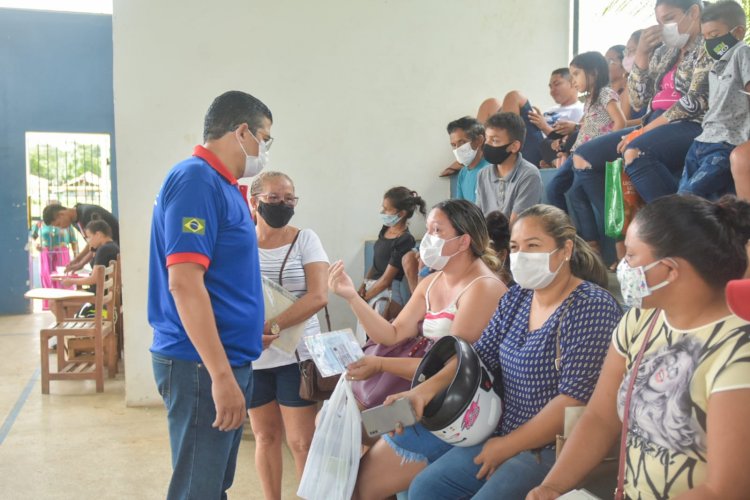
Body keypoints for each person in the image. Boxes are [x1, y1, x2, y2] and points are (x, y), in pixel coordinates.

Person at [384, 204, 621, 499]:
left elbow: (573, 399)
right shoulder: (517, 297)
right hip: (501, 432)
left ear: (565, 250)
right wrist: (423, 391)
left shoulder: (591, 306)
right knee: (425, 488)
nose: (522, 255)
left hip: (552, 447)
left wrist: (509, 445)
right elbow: (477, 358)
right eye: (515, 247)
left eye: (533, 246)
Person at [528, 194, 750, 499]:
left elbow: (725, 489)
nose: (622, 267)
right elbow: (600, 418)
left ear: (670, 270)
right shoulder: (640, 321)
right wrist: (551, 488)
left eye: (631, 257)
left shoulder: (737, 352)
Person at [328, 199, 508, 499]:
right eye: (428, 230)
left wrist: (381, 366)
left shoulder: (483, 287)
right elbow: (392, 333)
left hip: (455, 411)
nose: (428, 240)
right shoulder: (432, 281)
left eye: (437, 231)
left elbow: (453, 367)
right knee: (341, 445)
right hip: (422, 398)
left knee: (360, 488)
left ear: (464, 240)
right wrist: (351, 297)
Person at [148, 90, 271, 499]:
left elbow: (222, 278)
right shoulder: (195, 180)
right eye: (264, 138)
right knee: (197, 488)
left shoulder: (224, 185)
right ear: (242, 132)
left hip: (225, 357)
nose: (264, 149)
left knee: (214, 482)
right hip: (199, 363)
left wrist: (249, 330)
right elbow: (184, 282)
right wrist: (219, 375)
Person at [572, 0, 711, 209]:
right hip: (654, 121)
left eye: (669, 19)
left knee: (636, 151)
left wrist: (644, 131)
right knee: (583, 158)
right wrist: (642, 56)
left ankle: (675, 226)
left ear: (693, 12)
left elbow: (695, 102)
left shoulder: (709, 45)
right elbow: (639, 99)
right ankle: (620, 235)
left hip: (691, 123)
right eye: (659, 22)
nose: (663, 28)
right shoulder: (666, 52)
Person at [246, 171, 328, 500]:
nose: (283, 205)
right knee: (265, 437)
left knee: (301, 442)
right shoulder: (240, 242)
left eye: (289, 199)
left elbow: (319, 295)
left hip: (298, 356)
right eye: (273, 199)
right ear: (254, 202)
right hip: (254, 356)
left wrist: (273, 327)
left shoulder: (305, 239)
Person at [545, 51, 626, 251]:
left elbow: (620, 122)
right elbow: (593, 127)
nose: (573, 81)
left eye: (576, 74)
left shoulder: (605, 94)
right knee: (574, 194)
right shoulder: (590, 99)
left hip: (590, 156)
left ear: (594, 73)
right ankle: (588, 243)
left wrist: (609, 151)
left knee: (556, 187)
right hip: (579, 153)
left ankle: (576, 240)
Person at [679, 1, 750, 200]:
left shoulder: (742, 53)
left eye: (715, 35)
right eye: (705, 36)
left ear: (738, 32)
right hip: (703, 140)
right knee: (694, 199)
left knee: (689, 198)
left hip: (726, 141)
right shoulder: (716, 66)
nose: (709, 41)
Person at [359, 187, 426, 318]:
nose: (382, 212)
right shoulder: (385, 229)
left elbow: (386, 279)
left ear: (401, 214)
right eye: (382, 207)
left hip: (388, 293)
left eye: (387, 209)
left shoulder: (405, 239)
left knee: (380, 334)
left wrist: (363, 298)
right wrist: (364, 284)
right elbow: (376, 263)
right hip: (372, 288)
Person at [475, 112, 543, 221]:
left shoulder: (529, 175)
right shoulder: (483, 174)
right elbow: (478, 216)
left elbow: (516, 224)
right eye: (487, 139)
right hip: (486, 236)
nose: (487, 145)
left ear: (514, 146)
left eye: (495, 140)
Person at [43, 202, 120, 274]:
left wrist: (81, 263)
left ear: (61, 214)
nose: (61, 227)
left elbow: (97, 244)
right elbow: (91, 243)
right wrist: (77, 259)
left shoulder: (87, 214)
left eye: (59, 224)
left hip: (116, 250)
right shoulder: (75, 220)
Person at [59, 220, 119, 294]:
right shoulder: (113, 246)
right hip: (106, 292)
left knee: (55, 301)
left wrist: (71, 281)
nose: (88, 241)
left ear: (98, 235)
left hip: (99, 294)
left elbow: (94, 279)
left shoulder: (104, 250)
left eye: (89, 237)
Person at [30, 215, 77, 309]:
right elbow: (32, 237)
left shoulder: (66, 224)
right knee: (46, 275)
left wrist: (76, 256)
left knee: (63, 275)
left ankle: (65, 302)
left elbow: (73, 240)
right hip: (46, 252)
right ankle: (49, 303)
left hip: (62, 252)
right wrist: (36, 245)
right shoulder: (40, 223)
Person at [446, 117, 490, 202]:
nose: (457, 149)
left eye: (462, 142)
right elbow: (460, 208)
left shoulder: (490, 171)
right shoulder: (463, 173)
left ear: (479, 140)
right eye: (453, 145)